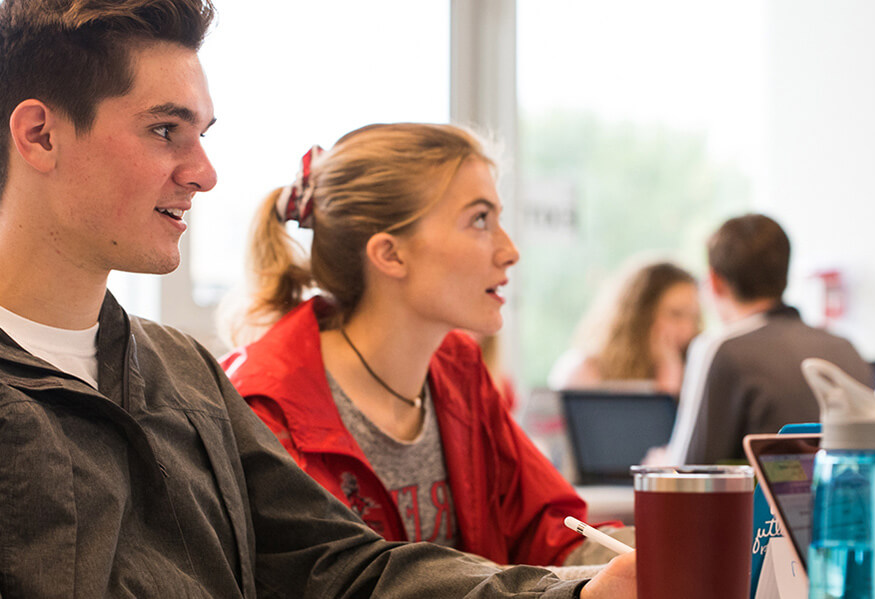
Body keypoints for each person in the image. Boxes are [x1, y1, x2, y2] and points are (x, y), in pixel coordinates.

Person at [0, 0, 634, 596]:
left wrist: (576, 592)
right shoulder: (256, 386)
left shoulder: (185, 372)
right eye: (166, 130)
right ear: (40, 136)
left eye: (202, 134)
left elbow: (341, 567)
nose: (205, 172)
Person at [221, 123, 627, 569]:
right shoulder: (265, 411)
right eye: (479, 220)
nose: (510, 250)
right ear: (390, 254)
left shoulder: (458, 368)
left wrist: (646, 553)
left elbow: (549, 533)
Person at [659, 214, 871, 465]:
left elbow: (691, 471)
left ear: (715, 281)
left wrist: (661, 463)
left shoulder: (721, 348)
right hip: (843, 500)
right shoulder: (845, 348)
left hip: (756, 504)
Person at [549, 260, 701, 395]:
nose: (688, 329)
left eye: (694, 317)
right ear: (640, 315)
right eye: (676, 314)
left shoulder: (696, 373)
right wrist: (668, 379)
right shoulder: (584, 371)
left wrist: (671, 370)